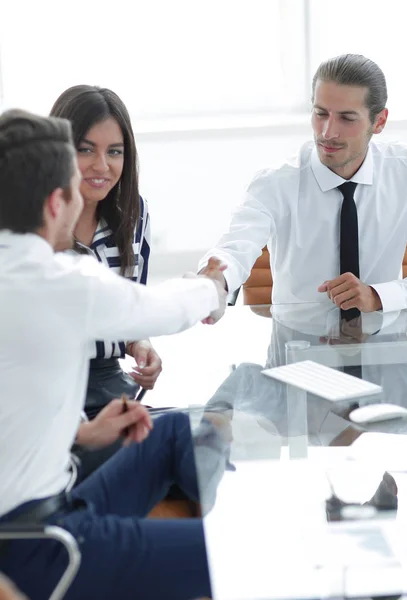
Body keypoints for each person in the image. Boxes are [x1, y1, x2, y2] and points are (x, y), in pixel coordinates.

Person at [0, 108, 228, 599]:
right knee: (235, 551)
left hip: (48, 506)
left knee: (169, 431)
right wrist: (215, 287)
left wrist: (82, 431)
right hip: (44, 546)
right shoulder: (56, 280)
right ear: (57, 201)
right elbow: (164, 309)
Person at [199, 54, 407, 317]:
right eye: (320, 113)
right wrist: (214, 283)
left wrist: (379, 296)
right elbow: (235, 248)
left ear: (379, 121)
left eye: (347, 118)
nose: (327, 132)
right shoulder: (275, 182)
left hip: (386, 345)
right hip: (298, 345)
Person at [50, 85, 159, 422]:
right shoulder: (29, 221)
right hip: (46, 391)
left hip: (111, 387)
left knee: (205, 432)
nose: (102, 166)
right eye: (86, 150)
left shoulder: (133, 215)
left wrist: (140, 344)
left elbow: (128, 309)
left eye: (114, 152)